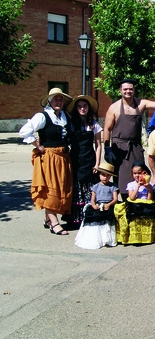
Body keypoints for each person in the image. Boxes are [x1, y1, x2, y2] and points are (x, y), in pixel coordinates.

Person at [103, 79, 155, 198]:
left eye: (131, 89)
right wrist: (107, 149)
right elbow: (107, 129)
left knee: (141, 177)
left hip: (136, 147)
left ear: (134, 90)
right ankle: (125, 204)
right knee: (122, 180)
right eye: (125, 89)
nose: (128, 91)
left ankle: (141, 203)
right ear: (120, 91)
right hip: (120, 149)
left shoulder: (140, 104)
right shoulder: (114, 108)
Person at [19, 87, 73, 235]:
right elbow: (24, 131)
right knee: (50, 189)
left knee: (61, 188)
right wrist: (37, 145)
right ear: (49, 101)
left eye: (61, 99)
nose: (59, 101)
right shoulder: (42, 116)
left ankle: (48, 219)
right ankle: (54, 223)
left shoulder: (65, 116)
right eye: (56, 99)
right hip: (49, 157)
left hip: (63, 157)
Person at [114, 161, 155, 244]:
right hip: (134, 205)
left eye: (139, 173)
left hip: (146, 204)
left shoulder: (148, 184)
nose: (137, 175)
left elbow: (149, 199)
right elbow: (132, 198)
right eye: (134, 173)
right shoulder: (131, 184)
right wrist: (137, 187)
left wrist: (149, 188)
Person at [66, 95, 102, 227]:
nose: (82, 108)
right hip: (75, 159)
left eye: (85, 106)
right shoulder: (71, 124)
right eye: (80, 106)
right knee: (77, 187)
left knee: (89, 186)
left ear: (89, 108)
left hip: (89, 159)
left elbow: (98, 145)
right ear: (76, 108)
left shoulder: (94, 125)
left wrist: (97, 163)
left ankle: (89, 216)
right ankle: (75, 219)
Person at [74, 162, 119, 250]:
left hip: (109, 204)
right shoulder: (95, 186)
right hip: (98, 204)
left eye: (107, 175)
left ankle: (108, 239)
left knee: (109, 217)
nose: (105, 177)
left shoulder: (113, 186)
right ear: (99, 175)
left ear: (110, 177)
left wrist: (109, 205)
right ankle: (97, 237)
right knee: (94, 216)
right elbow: (93, 199)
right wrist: (94, 205)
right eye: (103, 175)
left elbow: (115, 199)